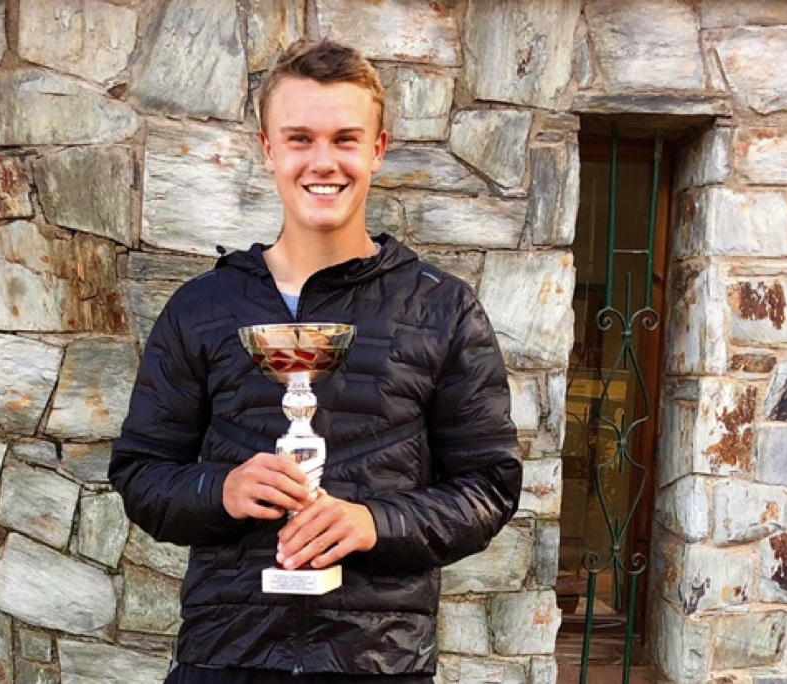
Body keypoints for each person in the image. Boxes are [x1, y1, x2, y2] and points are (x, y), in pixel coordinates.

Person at [109, 38, 524, 683]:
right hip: (227, 657)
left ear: (378, 149)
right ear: (268, 149)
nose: (323, 162)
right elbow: (140, 474)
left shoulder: (442, 309)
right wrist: (221, 489)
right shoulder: (202, 307)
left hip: (378, 661)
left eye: (345, 139)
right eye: (299, 138)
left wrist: (374, 523)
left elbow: (489, 487)